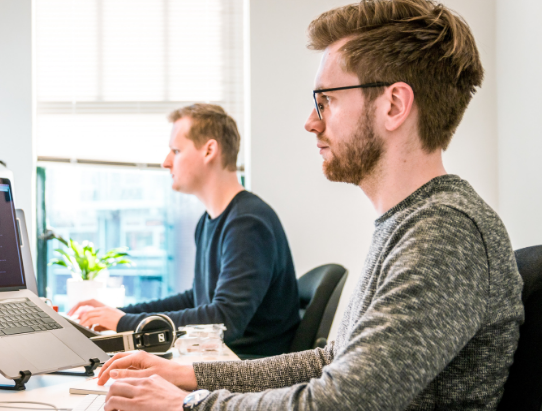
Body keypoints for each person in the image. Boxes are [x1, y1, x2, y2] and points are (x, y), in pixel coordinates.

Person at [94, 1, 525, 410]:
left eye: (327, 100)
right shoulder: (410, 222)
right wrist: (189, 375)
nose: (311, 121)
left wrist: (188, 403)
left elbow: (344, 401)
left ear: (393, 104)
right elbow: (331, 361)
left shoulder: (445, 231)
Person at [68, 104, 301, 357]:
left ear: (209, 150)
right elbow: (196, 299)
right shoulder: (210, 221)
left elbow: (224, 321)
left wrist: (124, 323)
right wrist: (121, 313)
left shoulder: (248, 223)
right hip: (220, 359)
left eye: (176, 151)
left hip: (246, 369)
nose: (166, 162)